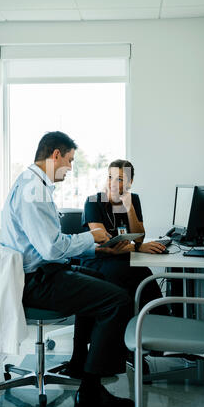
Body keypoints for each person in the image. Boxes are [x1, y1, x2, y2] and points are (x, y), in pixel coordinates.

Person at [0, 132, 135, 407]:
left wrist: (96, 250)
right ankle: (90, 392)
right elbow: (50, 248)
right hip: (36, 282)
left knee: (99, 280)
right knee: (118, 300)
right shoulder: (32, 190)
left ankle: (80, 364)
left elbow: (48, 245)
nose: (71, 169)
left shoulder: (33, 184)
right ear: (55, 155)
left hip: (39, 273)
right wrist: (93, 237)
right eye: (70, 161)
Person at [59, 159, 168, 379]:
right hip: (95, 259)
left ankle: (140, 343)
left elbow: (139, 235)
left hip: (120, 259)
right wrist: (137, 247)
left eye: (120, 179)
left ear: (130, 182)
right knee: (121, 279)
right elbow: (102, 241)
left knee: (142, 275)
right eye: (110, 177)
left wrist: (128, 209)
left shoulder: (133, 200)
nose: (112, 183)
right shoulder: (93, 202)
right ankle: (114, 349)